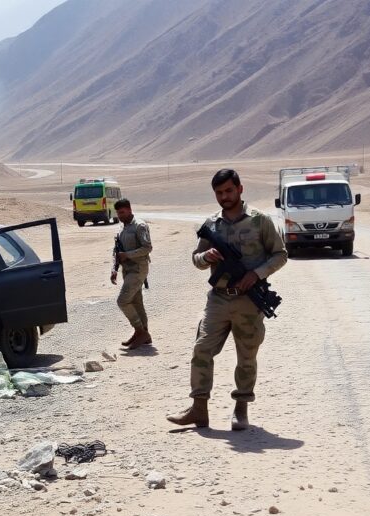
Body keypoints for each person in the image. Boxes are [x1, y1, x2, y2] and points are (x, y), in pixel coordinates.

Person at [167, 169, 287, 430]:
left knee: (246, 356)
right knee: (202, 349)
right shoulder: (211, 225)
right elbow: (196, 260)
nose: (225, 197)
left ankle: (240, 409)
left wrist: (256, 274)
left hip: (248, 301)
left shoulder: (260, 221)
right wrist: (205, 257)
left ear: (240, 189)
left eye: (229, 191)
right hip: (218, 299)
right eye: (219, 193)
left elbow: (280, 255)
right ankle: (199, 409)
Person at [110, 199, 152, 349]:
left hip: (138, 269)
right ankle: (143, 335)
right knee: (136, 302)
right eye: (118, 213)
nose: (120, 216)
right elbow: (117, 250)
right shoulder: (122, 228)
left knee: (122, 301)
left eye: (122, 212)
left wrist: (128, 255)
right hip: (127, 270)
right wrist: (114, 269)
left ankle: (139, 331)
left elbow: (147, 247)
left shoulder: (139, 226)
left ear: (129, 209)